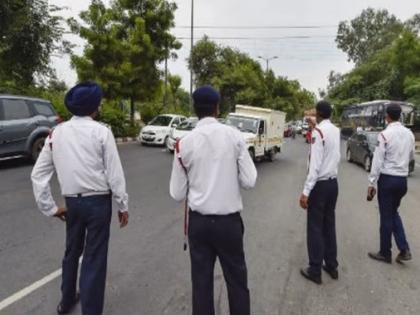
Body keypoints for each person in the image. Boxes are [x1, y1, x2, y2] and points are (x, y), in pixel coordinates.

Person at [31, 81, 129, 315]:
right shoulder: (102, 132)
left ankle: (66, 301)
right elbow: (114, 175)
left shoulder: (56, 134)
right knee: (94, 258)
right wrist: (122, 205)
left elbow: (38, 175)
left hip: (72, 203)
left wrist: (52, 208)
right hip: (98, 204)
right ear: (94, 108)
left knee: (72, 251)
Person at [169, 86, 257, 315]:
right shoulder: (235, 137)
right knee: (237, 282)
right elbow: (250, 181)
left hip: (199, 225)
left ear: (195, 109)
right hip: (229, 225)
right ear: (217, 109)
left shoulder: (183, 144)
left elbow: (177, 193)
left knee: (201, 285)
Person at [367, 103, 415, 264]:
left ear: (387, 116)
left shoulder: (385, 134)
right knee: (393, 213)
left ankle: (385, 252)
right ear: (400, 115)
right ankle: (404, 249)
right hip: (402, 180)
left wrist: (372, 182)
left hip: (388, 180)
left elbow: (378, 160)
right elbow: (411, 156)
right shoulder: (409, 134)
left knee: (386, 216)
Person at [299, 101, 341, 285]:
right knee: (329, 225)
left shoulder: (318, 133)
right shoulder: (335, 130)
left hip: (320, 186)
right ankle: (331, 265)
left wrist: (306, 192)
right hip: (333, 184)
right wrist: (315, 126)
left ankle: (315, 269)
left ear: (318, 113)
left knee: (315, 228)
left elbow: (315, 166)